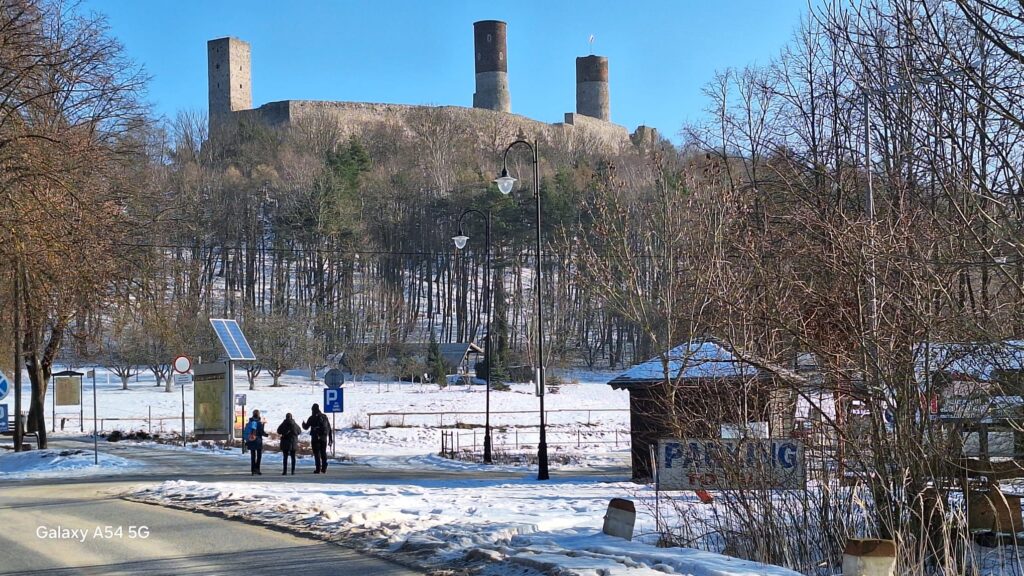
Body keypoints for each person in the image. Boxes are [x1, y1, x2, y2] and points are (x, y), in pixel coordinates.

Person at [302, 403, 334, 474]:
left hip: (315, 437)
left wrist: (303, 424)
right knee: (323, 452)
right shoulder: (324, 416)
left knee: (317, 453)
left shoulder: (311, 417)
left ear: (312, 409)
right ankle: (324, 467)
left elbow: (306, 427)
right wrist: (330, 438)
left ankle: (318, 468)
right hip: (323, 437)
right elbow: (329, 427)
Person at [244, 409, 268, 475]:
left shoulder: (249, 422)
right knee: (259, 456)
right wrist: (266, 434)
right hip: (258, 441)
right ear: (258, 415)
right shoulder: (259, 423)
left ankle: (253, 470)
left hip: (251, 441)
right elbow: (261, 432)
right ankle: (257, 469)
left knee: (253, 456)